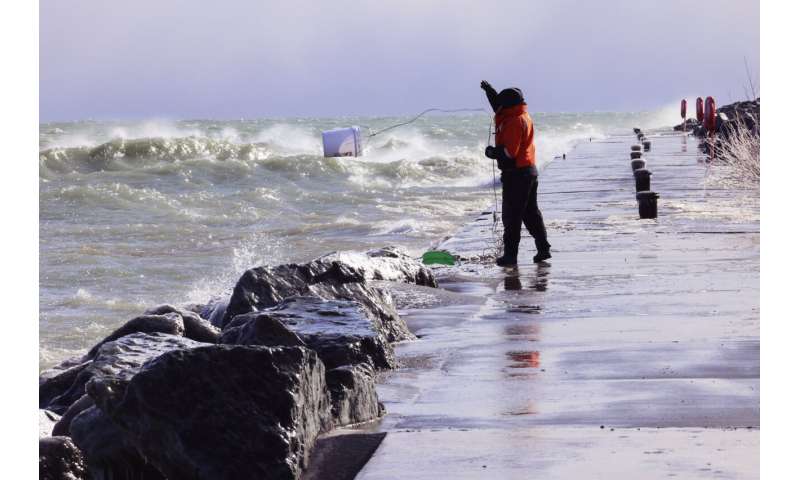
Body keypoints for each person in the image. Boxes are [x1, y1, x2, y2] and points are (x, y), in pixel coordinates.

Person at [480, 80, 551, 266]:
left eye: (502, 103)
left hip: (517, 175)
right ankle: (543, 248)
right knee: (530, 214)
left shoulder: (513, 121)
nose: (499, 107)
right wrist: (490, 92)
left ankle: (510, 256)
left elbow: (509, 152)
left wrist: (492, 153)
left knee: (512, 216)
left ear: (508, 105)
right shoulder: (521, 114)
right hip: (528, 171)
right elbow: (499, 106)